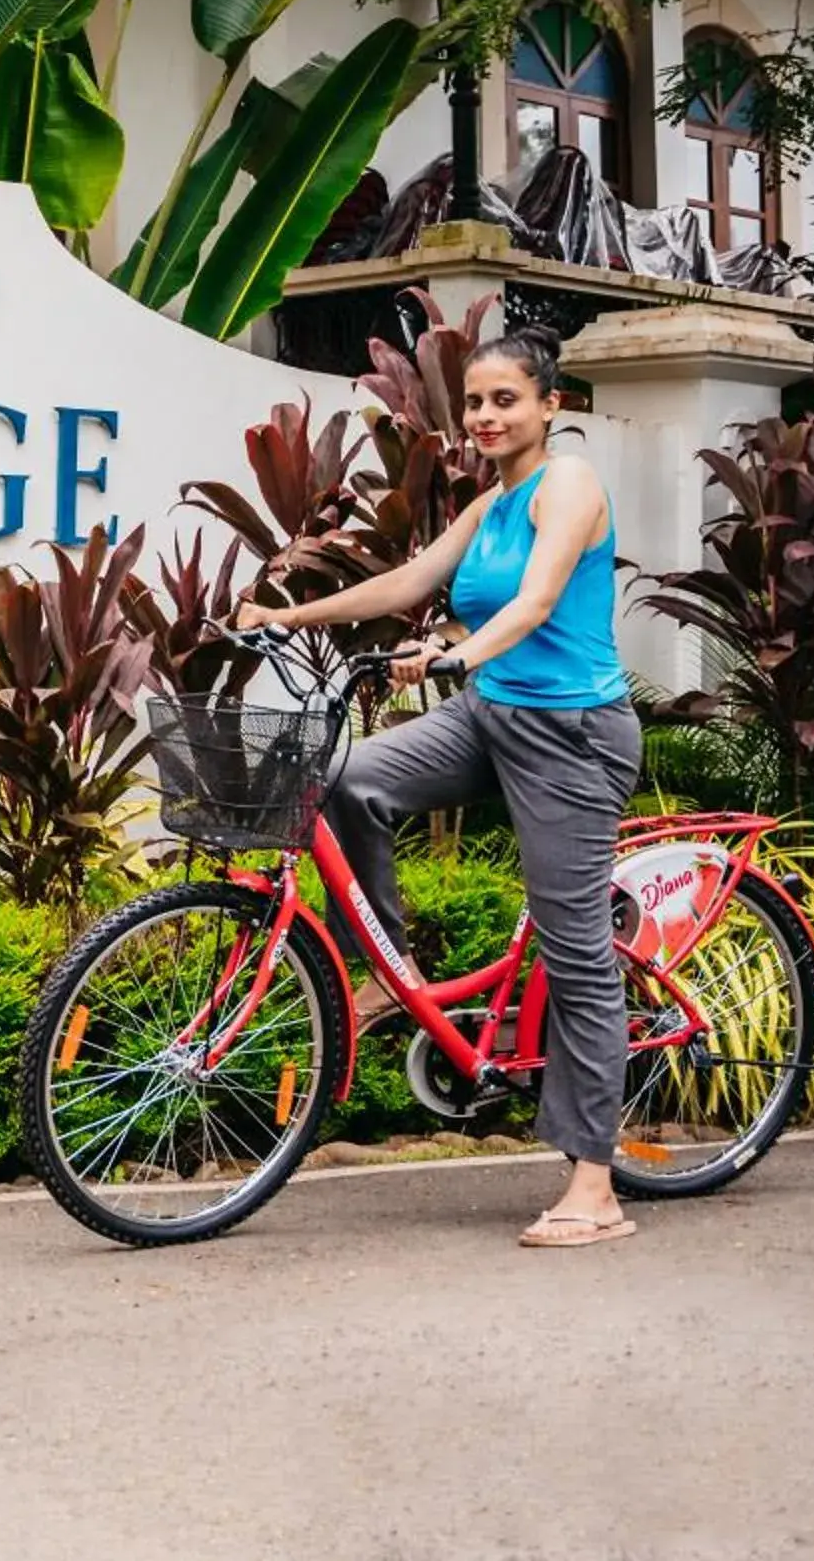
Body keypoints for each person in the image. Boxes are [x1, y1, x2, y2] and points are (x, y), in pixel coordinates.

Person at [236, 327, 642, 1250]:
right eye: (476, 403)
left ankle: (594, 1184)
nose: (488, 417)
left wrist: (455, 655)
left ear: (550, 405)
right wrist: (282, 615)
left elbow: (537, 601)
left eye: (507, 400)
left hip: (571, 736)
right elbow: (406, 580)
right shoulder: (490, 503)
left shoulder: (568, 487)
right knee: (342, 782)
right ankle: (393, 974)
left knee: (574, 947)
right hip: (491, 718)